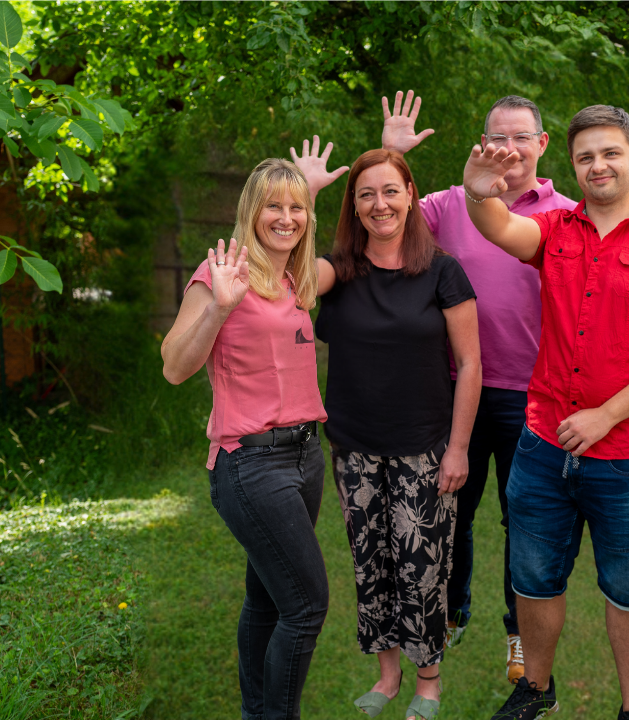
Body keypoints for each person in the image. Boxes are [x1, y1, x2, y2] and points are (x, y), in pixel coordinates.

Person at [463, 104, 629, 720]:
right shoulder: (554, 230)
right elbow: (499, 227)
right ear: (572, 166)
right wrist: (476, 194)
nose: (597, 165)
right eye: (584, 157)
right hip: (544, 445)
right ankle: (535, 689)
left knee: (628, 587)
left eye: (609, 153)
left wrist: (607, 414)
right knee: (532, 577)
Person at [377, 91, 576, 683]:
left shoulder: (566, 213)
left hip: (533, 395)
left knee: (526, 522)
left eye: (522, 137)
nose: (509, 148)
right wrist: (392, 157)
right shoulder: (445, 205)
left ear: (541, 145)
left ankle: (517, 634)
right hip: (453, 390)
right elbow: (383, 220)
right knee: (449, 509)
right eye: (498, 136)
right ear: (481, 142)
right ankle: (452, 607)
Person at [314, 149, 482, 720]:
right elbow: (287, 275)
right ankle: (386, 676)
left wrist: (458, 447)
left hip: (425, 446)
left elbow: (470, 363)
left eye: (390, 190)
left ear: (411, 194)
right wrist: (307, 194)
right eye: (366, 194)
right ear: (353, 206)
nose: (379, 204)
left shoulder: (442, 271)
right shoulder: (339, 271)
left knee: (424, 568)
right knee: (371, 561)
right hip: (355, 447)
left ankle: (428, 681)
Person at [161, 158, 328, 720]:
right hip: (251, 465)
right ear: (248, 212)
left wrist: (316, 188)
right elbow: (175, 368)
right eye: (272, 206)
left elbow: (365, 244)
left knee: (267, 600)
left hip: (307, 458)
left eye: (295, 207)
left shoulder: (295, 280)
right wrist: (220, 310)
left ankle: (255, 711)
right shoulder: (220, 275)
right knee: (306, 607)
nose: (285, 218)